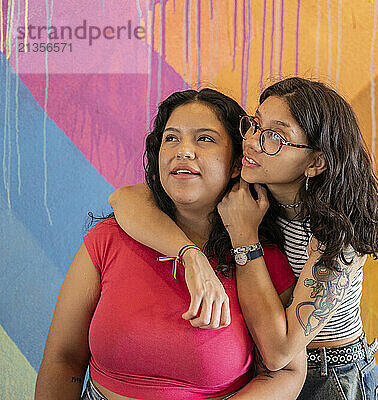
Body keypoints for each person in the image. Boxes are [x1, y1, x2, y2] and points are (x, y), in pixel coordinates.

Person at [109, 77, 378, 400]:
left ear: (315, 162)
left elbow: (279, 350)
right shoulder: (252, 187)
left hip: (330, 378)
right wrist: (190, 255)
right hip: (263, 375)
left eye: (274, 137)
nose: (254, 142)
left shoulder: (338, 235)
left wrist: (244, 237)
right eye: (255, 125)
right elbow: (125, 200)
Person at [35, 89, 306, 400]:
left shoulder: (256, 257)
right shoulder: (108, 239)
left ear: (236, 164)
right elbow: (63, 360)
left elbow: (285, 373)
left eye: (204, 139)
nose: (183, 151)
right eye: (171, 138)